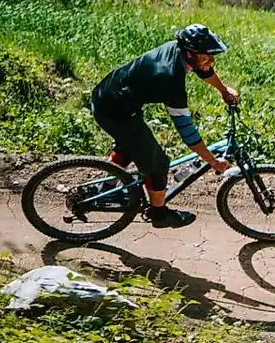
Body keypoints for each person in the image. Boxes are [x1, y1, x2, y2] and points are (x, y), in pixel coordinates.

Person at [88, 24, 240, 229]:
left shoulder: (179, 49)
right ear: (190, 53)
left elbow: (203, 70)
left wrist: (223, 90)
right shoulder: (170, 78)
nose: (211, 61)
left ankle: (107, 189)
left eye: (212, 56)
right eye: (207, 56)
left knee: (131, 145)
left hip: (111, 96)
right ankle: (159, 214)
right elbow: (186, 131)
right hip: (114, 109)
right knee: (157, 163)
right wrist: (212, 161)